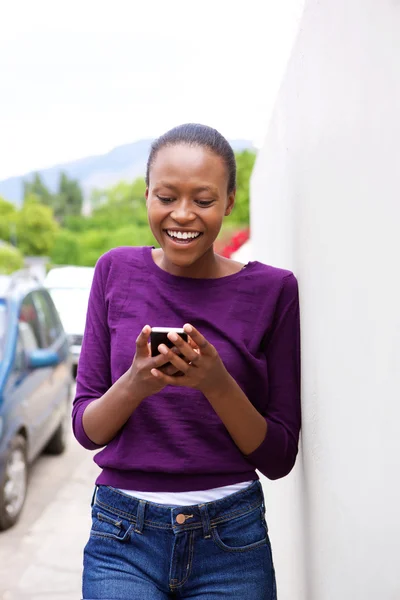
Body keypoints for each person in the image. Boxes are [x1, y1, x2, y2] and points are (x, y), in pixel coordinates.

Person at [73, 123, 301, 600]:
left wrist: (216, 383)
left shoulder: (274, 290)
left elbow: (279, 456)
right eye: (166, 196)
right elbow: (87, 429)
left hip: (231, 539)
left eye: (203, 199)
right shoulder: (114, 270)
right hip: (122, 537)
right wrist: (136, 384)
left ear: (230, 202)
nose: (182, 214)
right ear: (147, 197)